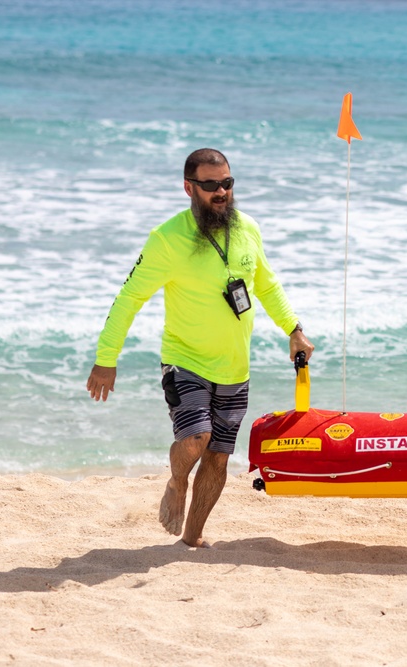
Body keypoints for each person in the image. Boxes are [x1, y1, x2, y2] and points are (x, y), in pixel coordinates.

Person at [86, 148, 314, 548]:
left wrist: (294, 329)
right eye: (211, 185)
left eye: (227, 182)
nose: (221, 192)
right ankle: (176, 482)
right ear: (189, 187)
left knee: (218, 458)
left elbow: (266, 285)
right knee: (196, 438)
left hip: (234, 366)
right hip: (185, 360)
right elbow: (128, 299)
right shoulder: (167, 240)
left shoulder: (247, 228)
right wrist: (107, 360)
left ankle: (191, 538)